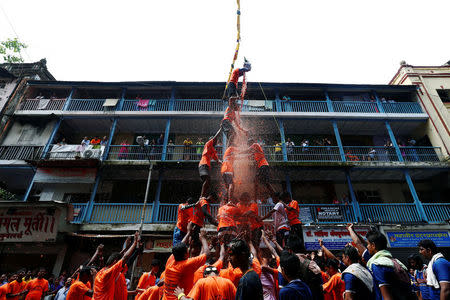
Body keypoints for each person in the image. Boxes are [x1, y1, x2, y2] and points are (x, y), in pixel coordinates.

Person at [365, 229, 416, 300]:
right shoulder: (396, 262)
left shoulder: (378, 264)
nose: (367, 247)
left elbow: (386, 296)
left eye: (368, 244)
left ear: (373, 245)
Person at [162, 230, 210, 300]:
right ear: (185, 254)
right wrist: (203, 238)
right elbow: (207, 254)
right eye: (188, 250)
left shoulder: (171, 259)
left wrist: (188, 233)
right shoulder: (186, 264)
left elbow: (180, 245)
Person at [92, 232, 140, 300]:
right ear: (115, 262)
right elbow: (124, 258)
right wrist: (135, 243)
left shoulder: (100, 273)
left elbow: (123, 258)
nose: (122, 265)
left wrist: (127, 247)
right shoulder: (109, 273)